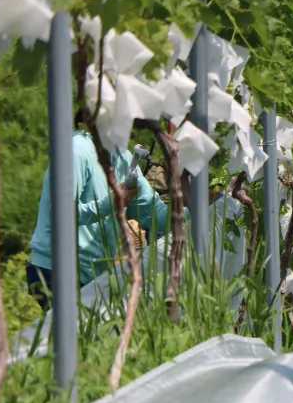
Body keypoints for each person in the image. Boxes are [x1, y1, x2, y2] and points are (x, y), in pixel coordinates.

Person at [26, 130, 184, 311]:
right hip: (57, 269)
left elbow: (155, 215)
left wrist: (197, 206)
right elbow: (61, 213)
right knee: (76, 328)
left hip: (90, 274)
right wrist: (112, 203)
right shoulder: (77, 150)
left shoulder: (124, 158)